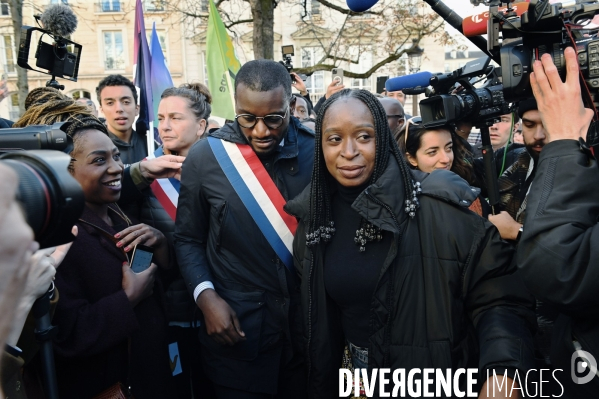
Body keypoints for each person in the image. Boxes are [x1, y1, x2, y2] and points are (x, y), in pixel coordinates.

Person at [285, 89, 536, 398]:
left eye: (364, 137)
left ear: (385, 140)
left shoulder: (439, 206)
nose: (348, 151)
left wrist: (503, 375)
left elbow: (500, 298)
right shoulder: (313, 217)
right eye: (334, 139)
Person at [174, 59, 314, 398]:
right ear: (235, 106)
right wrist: (206, 298)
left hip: (308, 334)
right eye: (247, 118)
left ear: (290, 105)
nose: (261, 131)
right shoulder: (206, 157)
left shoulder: (317, 149)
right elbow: (187, 238)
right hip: (239, 333)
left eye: (273, 118)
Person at [51, 115, 173, 399]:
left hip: (152, 376)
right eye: (98, 160)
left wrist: (161, 246)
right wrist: (128, 299)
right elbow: (66, 335)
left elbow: (152, 284)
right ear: (65, 172)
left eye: (116, 157)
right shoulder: (59, 242)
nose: (117, 168)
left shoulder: (119, 214)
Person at [517, 46, 599, 397]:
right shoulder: (512, 174)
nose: (540, 135)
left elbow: (560, 265)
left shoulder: (570, 154)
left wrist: (566, 141)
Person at [136, 83, 214, 399]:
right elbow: (137, 246)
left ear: (201, 126)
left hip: (218, 308)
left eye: (176, 118)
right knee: (177, 387)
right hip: (170, 316)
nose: (165, 126)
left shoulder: (224, 172)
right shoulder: (147, 173)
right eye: (161, 117)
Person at [399, 119, 488, 216]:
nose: (445, 159)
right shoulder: (401, 200)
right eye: (432, 152)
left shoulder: (467, 183)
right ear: (412, 158)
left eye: (448, 148)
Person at [96, 74, 146, 166]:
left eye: (126, 102)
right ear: (102, 110)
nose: (119, 109)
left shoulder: (151, 145)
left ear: (137, 109)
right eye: (110, 103)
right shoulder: (94, 148)